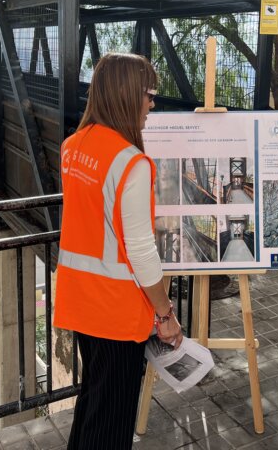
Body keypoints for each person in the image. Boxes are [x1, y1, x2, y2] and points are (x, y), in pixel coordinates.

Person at [53, 53, 183, 450]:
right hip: (115, 311)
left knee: (93, 404)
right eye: (149, 94)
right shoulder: (132, 162)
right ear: (128, 94)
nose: (152, 103)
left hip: (80, 301)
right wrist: (165, 314)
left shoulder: (73, 146)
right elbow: (142, 252)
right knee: (111, 424)